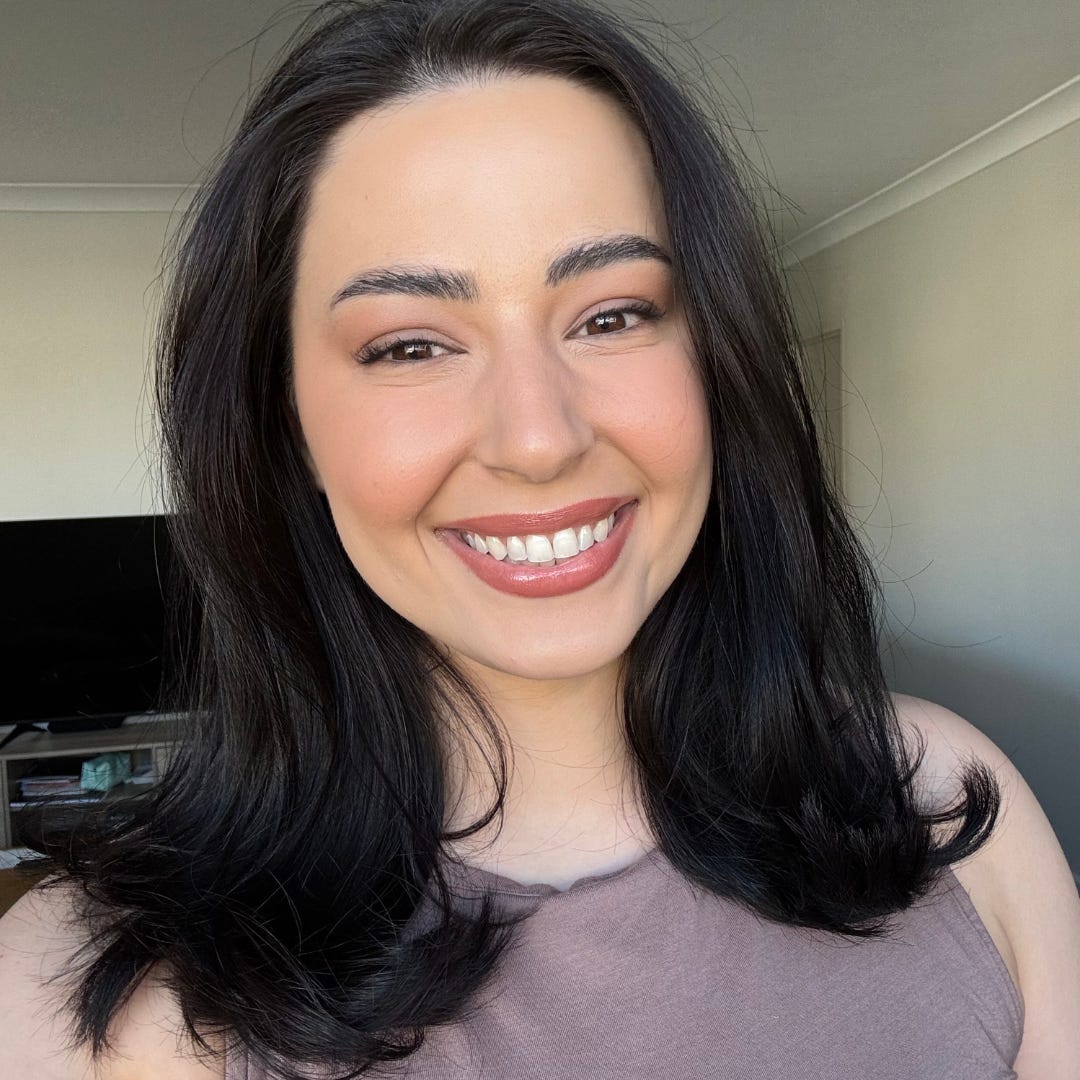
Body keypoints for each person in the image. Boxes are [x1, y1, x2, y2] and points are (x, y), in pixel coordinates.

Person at [1, 0, 1078, 1077]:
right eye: (410, 345)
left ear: (719, 361)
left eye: (613, 316)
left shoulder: (942, 803)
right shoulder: (84, 1007)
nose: (538, 439)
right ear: (286, 426)